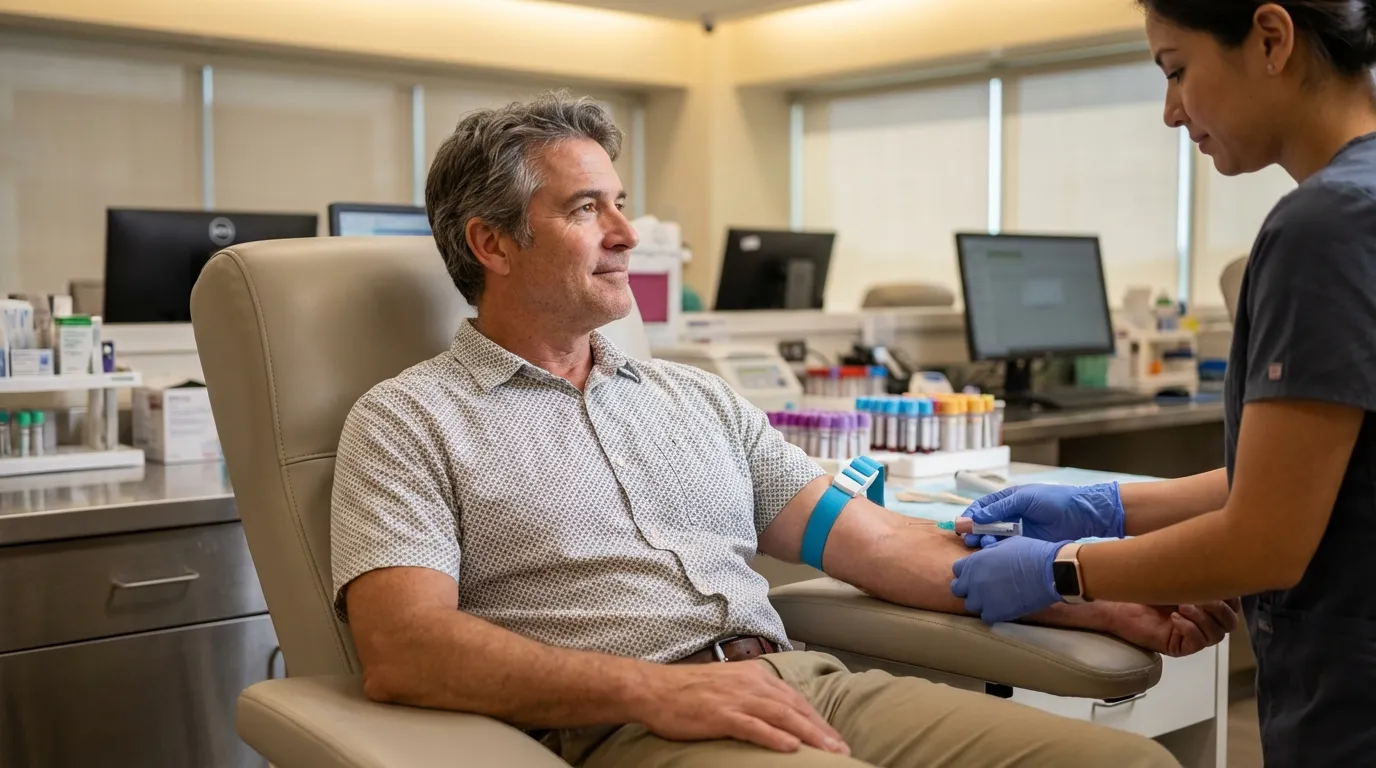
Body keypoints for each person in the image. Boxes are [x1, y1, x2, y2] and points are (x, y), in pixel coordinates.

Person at [331, 91, 1235, 768]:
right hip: (629, 722)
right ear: (491, 245)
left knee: (1128, 765)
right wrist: (658, 688)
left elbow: (880, 545)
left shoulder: (695, 399)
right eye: (584, 209)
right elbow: (404, 650)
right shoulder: (410, 422)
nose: (627, 233)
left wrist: (1085, 597)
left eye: (619, 202)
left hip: (800, 681)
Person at [950, 2, 1376, 765]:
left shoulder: (1324, 226)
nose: (1171, 112)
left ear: (1272, 40)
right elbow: (1317, 476)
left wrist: (1063, 570)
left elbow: (1265, 541)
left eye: (1177, 70)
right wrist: (1114, 507)